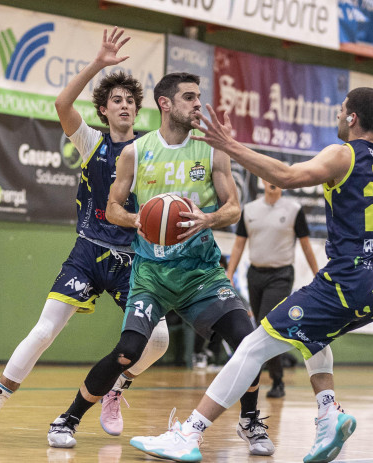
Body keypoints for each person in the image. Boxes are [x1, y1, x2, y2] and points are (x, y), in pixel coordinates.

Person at [129, 2, 373, 462]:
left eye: (342, 110)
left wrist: (230, 145)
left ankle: (189, 435)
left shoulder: (344, 155)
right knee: (313, 336)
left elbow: (288, 174)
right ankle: (327, 413)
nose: (339, 115)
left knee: (254, 346)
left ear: (352, 118)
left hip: (346, 282)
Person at [47, 72, 275, 457]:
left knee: (248, 341)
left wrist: (209, 218)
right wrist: (138, 220)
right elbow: (113, 207)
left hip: (201, 273)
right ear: (165, 104)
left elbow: (233, 206)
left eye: (199, 97)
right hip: (151, 273)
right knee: (127, 351)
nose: (198, 104)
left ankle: (250, 421)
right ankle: (68, 417)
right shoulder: (136, 152)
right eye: (189, 97)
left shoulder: (211, 149)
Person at [0, 28, 169, 438]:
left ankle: (114, 387)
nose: (124, 105)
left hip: (133, 260)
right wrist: (99, 63)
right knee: (44, 330)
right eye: (116, 101)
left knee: (157, 339)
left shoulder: (150, 150)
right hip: (89, 253)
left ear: (137, 111)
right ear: (104, 112)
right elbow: (61, 103)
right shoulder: (92, 142)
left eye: (129, 101)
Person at [226, 178, 319, 397]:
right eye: (267, 178)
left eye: (276, 179)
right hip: (255, 274)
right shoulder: (249, 210)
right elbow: (239, 244)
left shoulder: (294, 210)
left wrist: (317, 274)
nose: (272, 182)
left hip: (281, 275)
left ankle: (271, 380)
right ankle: (273, 378)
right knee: (261, 328)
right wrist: (229, 273)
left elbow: (305, 244)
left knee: (267, 325)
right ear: (261, 182)